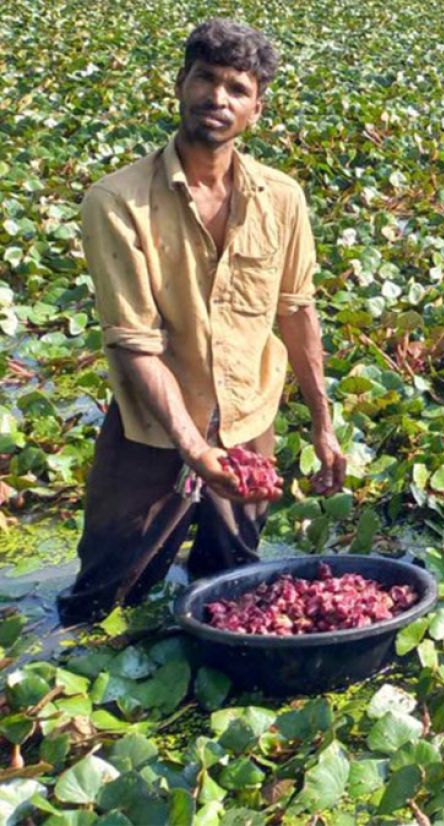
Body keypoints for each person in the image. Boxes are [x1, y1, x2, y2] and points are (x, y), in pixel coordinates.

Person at [57, 19, 346, 624]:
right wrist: (194, 450)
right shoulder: (117, 202)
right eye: (206, 79)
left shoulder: (282, 198)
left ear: (256, 109)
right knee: (104, 589)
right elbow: (135, 344)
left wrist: (324, 425)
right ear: (181, 85)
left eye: (237, 88)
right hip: (153, 428)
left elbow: (296, 312)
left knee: (234, 585)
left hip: (249, 421)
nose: (218, 98)